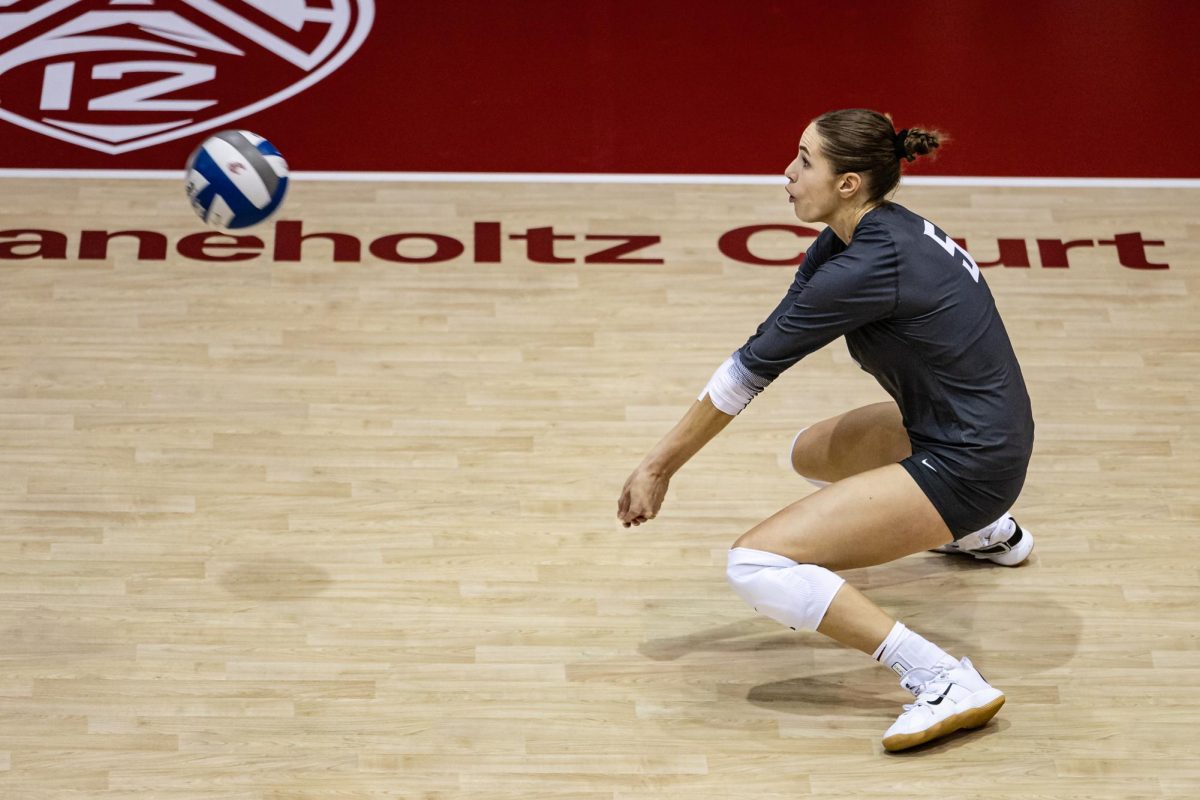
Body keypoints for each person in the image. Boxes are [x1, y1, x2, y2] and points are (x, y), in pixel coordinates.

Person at [617, 108, 1035, 752]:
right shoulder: (862, 234)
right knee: (810, 452)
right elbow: (772, 335)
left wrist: (658, 465)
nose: (787, 173)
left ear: (848, 183)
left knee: (757, 565)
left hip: (972, 458)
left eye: (806, 161)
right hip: (967, 423)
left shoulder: (865, 264)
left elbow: (745, 375)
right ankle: (988, 534)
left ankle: (944, 681)